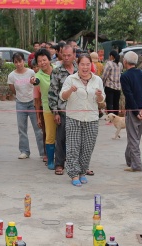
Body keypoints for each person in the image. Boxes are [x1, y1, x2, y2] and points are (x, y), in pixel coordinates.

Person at [60, 54, 105, 187]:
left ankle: (82, 172)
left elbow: (101, 101)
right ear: (77, 65)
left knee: (87, 148)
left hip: (91, 119)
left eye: (87, 64)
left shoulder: (97, 80)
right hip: (74, 118)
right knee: (73, 147)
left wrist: (99, 95)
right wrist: (70, 90)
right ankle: (74, 174)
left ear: (91, 65)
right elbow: (63, 97)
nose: (85, 67)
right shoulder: (71, 79)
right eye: (82, 64)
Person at [120, 51, 142, 172]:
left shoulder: (125, 76)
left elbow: (129, 95)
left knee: (133, 138)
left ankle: (136, 164)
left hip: (133, 110)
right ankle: (129, 159)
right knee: (136, 137)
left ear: (125, 61)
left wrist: (136, 112)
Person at [8, 52, 44, 160]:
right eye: (16, 62)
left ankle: (43, 152)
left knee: (38, 128)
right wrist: (20, 97)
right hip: (20, 104)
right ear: (13, 63)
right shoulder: (11, 76)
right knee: (22, 128)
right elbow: (12, 89)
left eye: (20, 61)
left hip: (33, 103)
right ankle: (24, 151)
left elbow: (37, 84)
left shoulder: (31, 72)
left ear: (24, 61)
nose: (18, 64)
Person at [48, 45, 77, 176]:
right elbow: (53, 92)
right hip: (63, 110)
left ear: (74, 55)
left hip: (79, 109)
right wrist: (55, 112)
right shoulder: (57, 71)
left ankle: (79, 165)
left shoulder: (80, 69)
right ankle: (59, 164)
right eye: (64, 55)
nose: (66, 58)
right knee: (61, 138)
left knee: (78, 139)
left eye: (69, 55)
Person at [34, 48, 55, 170]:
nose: (42, 63)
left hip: (63, 109)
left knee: (63, 135)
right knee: (50, 136)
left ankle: (62, 158)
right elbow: (35, 83)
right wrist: (38, 116)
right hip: (47, 109)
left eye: (44, 60)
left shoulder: (58, 71)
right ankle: (51, 160)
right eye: (39, 61)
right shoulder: (38, 76)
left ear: (49, 60)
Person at [102, 50, 122, 115]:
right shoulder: (120, 64)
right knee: (116, 103)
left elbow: (105, 75)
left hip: (109, 86)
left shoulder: (109, 63)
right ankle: (116, 116)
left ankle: (110, 118)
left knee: (109, 103)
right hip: (118, 87)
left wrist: (102, 83)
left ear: (111, 56)